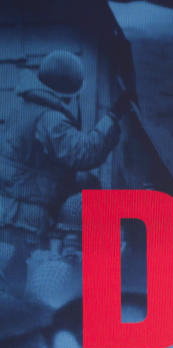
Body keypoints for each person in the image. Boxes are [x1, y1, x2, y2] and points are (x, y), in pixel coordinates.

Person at [0, 50, 127, 300]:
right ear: (69, 92)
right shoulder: (50, 119)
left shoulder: (24, 108)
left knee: (9, 281)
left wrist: (71, 181)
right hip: (25, 216)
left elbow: (36, 164)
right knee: (19, 288)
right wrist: (112, 118)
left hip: (10, 210)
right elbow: (83, 153)